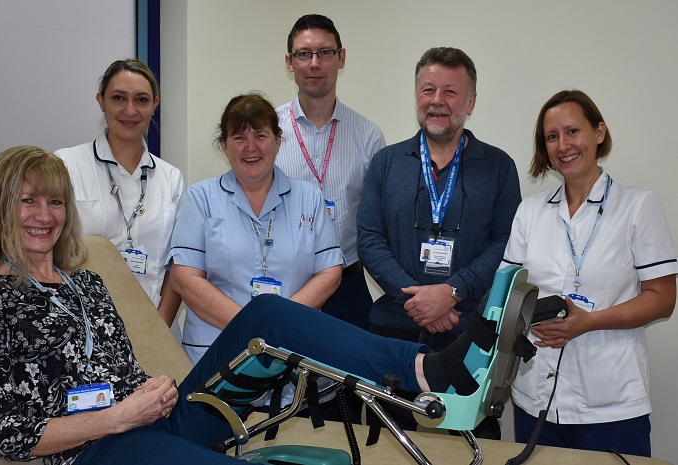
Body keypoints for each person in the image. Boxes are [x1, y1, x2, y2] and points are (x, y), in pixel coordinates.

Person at [0, 145, 494, 464]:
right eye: (28, 201)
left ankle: (424, 369)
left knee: (265, 315)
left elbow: (116, 368)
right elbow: (12, 435)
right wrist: (118, 417)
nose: (43, 215)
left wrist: (147, 392)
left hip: (152, 418)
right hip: (96, 451)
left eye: (54, 201)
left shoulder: (86, 284)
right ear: (1, 206)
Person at [501, 90, 677, 456]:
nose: (563, 145)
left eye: (572, 131)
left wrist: (589, 321)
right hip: (536, 399)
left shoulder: (637, 206)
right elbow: (508, 291)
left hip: (611, 404)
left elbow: (663, 300)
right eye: (552, 137)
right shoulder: (530, 211)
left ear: (599, 132)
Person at [357, 47, 521, 436]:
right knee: (388, 448)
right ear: (416, 95)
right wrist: (417, 300)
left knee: (470, 447)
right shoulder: (386, 163)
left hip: (470, 337)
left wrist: (453, 291)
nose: (437, 101)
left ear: (471, 101)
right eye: (428, 89)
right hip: (394, 332)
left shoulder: (499, 167)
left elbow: (506, 244)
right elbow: (369, 239)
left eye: (450, 92)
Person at [167, 92, 343, 364]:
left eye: (260, 136)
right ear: (224, 145)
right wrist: (253, 327)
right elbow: (184, 278)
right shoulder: (201, 197)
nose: (251, 147)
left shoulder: (310, 197)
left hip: (290, 348)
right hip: (215, 349)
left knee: (288, 406)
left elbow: (329, 272)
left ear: (277, 141)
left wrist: (281, 326)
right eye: (239, 138)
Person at [55, 59, 184, 337]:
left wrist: (156, 332)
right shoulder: (66, 165)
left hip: (156, 328)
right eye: (118, 98)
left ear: (155, 105)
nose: (130, 110)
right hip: (85, 331)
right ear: (101, 101)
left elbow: (178, 267)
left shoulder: (171, 178)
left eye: (141, 100)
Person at [275, 14, 386, 330]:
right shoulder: (266, 131)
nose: (314, 63)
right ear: (289, 61)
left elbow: (376, 223)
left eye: (324, 52)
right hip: (285, 282)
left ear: (341, 58)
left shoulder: (368, 136)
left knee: (353, 378)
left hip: (347, 283)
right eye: (304, 54)